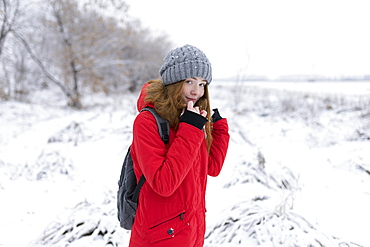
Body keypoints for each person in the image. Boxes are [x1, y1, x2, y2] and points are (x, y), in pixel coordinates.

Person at [129, 44, 230, 247]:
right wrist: (190, 130)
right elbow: (163, 184)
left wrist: (218, 130)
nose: (196, 91)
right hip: (159, 237)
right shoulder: (148, 121)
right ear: (174, 82)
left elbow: (212, 167)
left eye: (202, 84)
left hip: (191, 230)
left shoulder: (189, 118)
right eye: (189, 81)